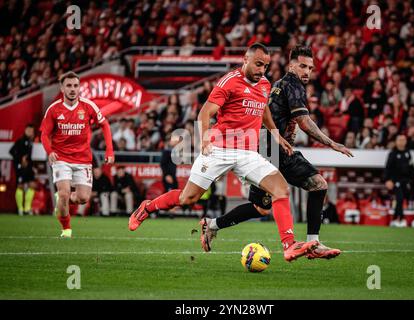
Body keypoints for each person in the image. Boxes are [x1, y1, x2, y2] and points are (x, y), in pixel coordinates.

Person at [129, 43, 319, 263]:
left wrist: (276, 135)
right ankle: (148, 206)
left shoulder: (265, 84)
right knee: (187, 198)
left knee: (281, 189)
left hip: (247, 153)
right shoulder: (229, 82)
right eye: (258, 64)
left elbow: (263, 108)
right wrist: (204, 138)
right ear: (245, 60)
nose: (261, 70)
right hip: (220, 149)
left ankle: (289, 246)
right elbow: (206, 111)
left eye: (265, 66)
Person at [199, 44, 353, 259]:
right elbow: (304, 122)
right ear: (291, 66)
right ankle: (312, 244)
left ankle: (212, 225)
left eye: (310, 68)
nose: (306, 72)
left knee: (261, 208)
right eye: (302, 66)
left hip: (263, 147)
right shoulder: (293, 85)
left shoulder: (279, 84)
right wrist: (332, 143)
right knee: (319, 185)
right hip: (274, 149)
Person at [40, 71, 114, 238]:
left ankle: (62, 202)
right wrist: (50, 151)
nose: (73, 89)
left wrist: (109, 150)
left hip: (83, 160)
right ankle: (66, 229)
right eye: (69, 85)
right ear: (62, 88)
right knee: (65, 192)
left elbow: (105, 125)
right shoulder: (53, 109)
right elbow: (44, 134)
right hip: (61, 158)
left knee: (82, 198)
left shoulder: (88, 106)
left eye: (75, 85)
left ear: (79, 87)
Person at [384, 134, 414, 227]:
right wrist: (388, 180)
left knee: (404, 199)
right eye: (399, 140)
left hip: (406, 180)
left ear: (406, 141)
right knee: (399, 199)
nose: (401, 142)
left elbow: (412, 167)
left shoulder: (408, 153)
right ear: (396, 142)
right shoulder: (392, 154)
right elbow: (387, 168)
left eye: (403, 140)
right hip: (395, 180)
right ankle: (400, 218)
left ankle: (395, 219)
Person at [9, 124, 36, 215]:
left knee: (32, 185)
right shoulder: (20, 141)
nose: (30, 132)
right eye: (28, 130)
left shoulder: (30, 141)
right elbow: (11, 151)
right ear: (25, 130)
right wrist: (20, 159)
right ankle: (20, 209)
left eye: (31, 131)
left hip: (28, 167)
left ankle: (27, 208)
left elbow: (28, 156)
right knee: (20, 186)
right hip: (21, 166)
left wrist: (31, 165)